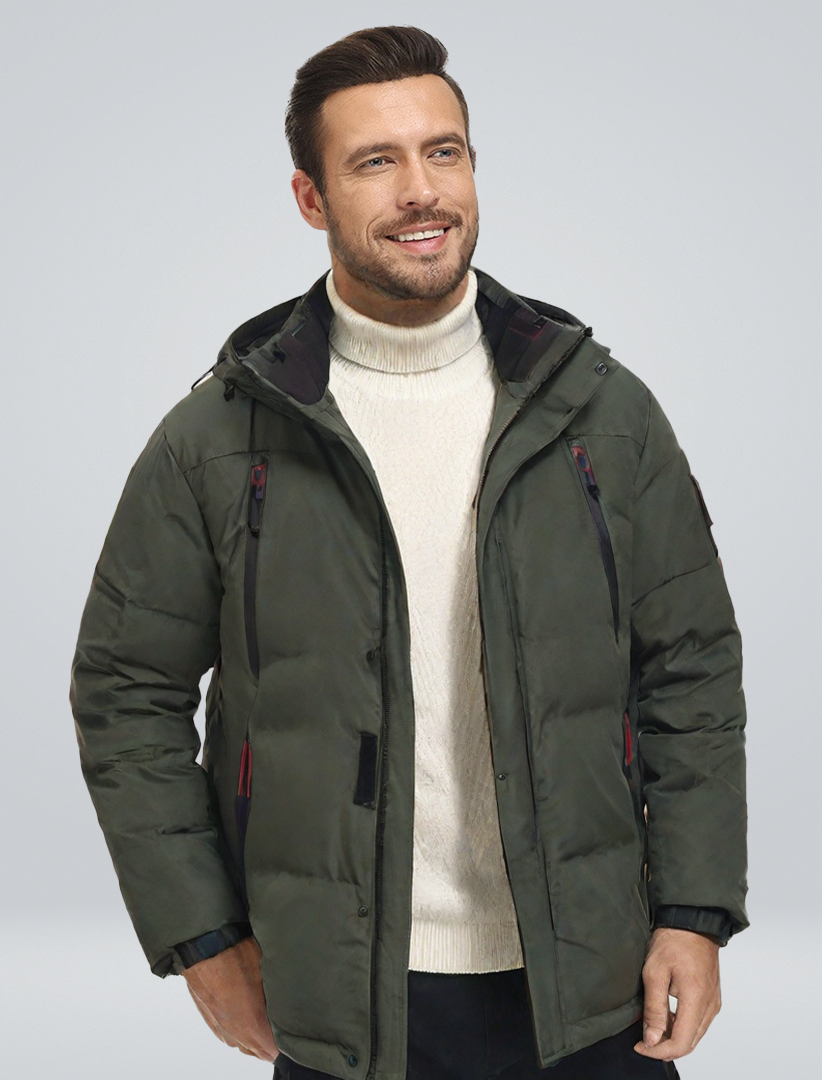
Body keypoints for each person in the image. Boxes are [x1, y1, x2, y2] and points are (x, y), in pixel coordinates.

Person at [70, 25, 748, 1080]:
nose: (421, 191)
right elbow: (125, 693)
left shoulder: (601, 413)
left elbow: (692, 669)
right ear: (311, 199)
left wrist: (695, 913)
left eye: (444, 152)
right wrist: (200, 938)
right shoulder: (220, 438)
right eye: (375, 162)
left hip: (590, 983)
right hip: (340, 999)